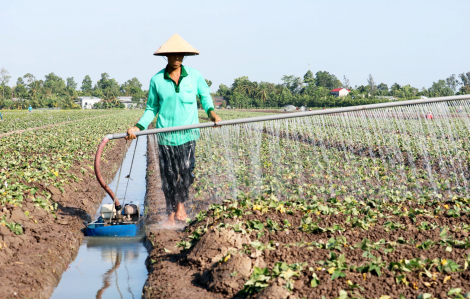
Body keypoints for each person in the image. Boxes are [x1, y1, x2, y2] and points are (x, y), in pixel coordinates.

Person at [126, 34, 221, 226]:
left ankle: (180, 206)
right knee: (168, 176)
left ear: (184, 56)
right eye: (173, 54)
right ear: (166, 56)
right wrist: (137, 126)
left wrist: (212, 114)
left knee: (186, 172)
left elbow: (205, 98)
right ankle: (170, 214)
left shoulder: (194, 76)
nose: (177, 58)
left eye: (180, 55)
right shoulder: (157, 80)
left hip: (188, 134)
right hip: (165, 136)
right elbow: (151, 108)